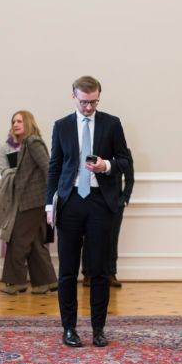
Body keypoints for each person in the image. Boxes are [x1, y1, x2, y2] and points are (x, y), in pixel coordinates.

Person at [45, 76, 132, 348]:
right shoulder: (61, 126)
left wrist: (105, 165)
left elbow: (125, 161)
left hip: (99, 202)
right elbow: (55, 167)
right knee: (68, 271)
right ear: (73, 97)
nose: (88, 108)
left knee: (98, 270)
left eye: (93, 102)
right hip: (70, 201)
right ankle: (69, 329)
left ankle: (98, 329)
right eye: (83, 102)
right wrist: (50, 204)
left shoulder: (112, 123)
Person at [0, 109, 56, 296]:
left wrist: (49, 198)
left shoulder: (33, 141)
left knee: (17, 239)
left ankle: (16, 282)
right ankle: (46, 282)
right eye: (13, 122)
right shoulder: (26, 143)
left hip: (33, 202)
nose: (15, 124)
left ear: (28, 122)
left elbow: (48, 168)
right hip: (29, 201)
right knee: (34, 242)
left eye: (19, 121)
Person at [104, 144, 135, 287]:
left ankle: (111, 273)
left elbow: (130, 178)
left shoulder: (125, 153)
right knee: (90, 238)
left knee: (112, 238)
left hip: (116, 204)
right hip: (96, 201)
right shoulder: (97, 148)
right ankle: (88, 274)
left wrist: (124, 200)